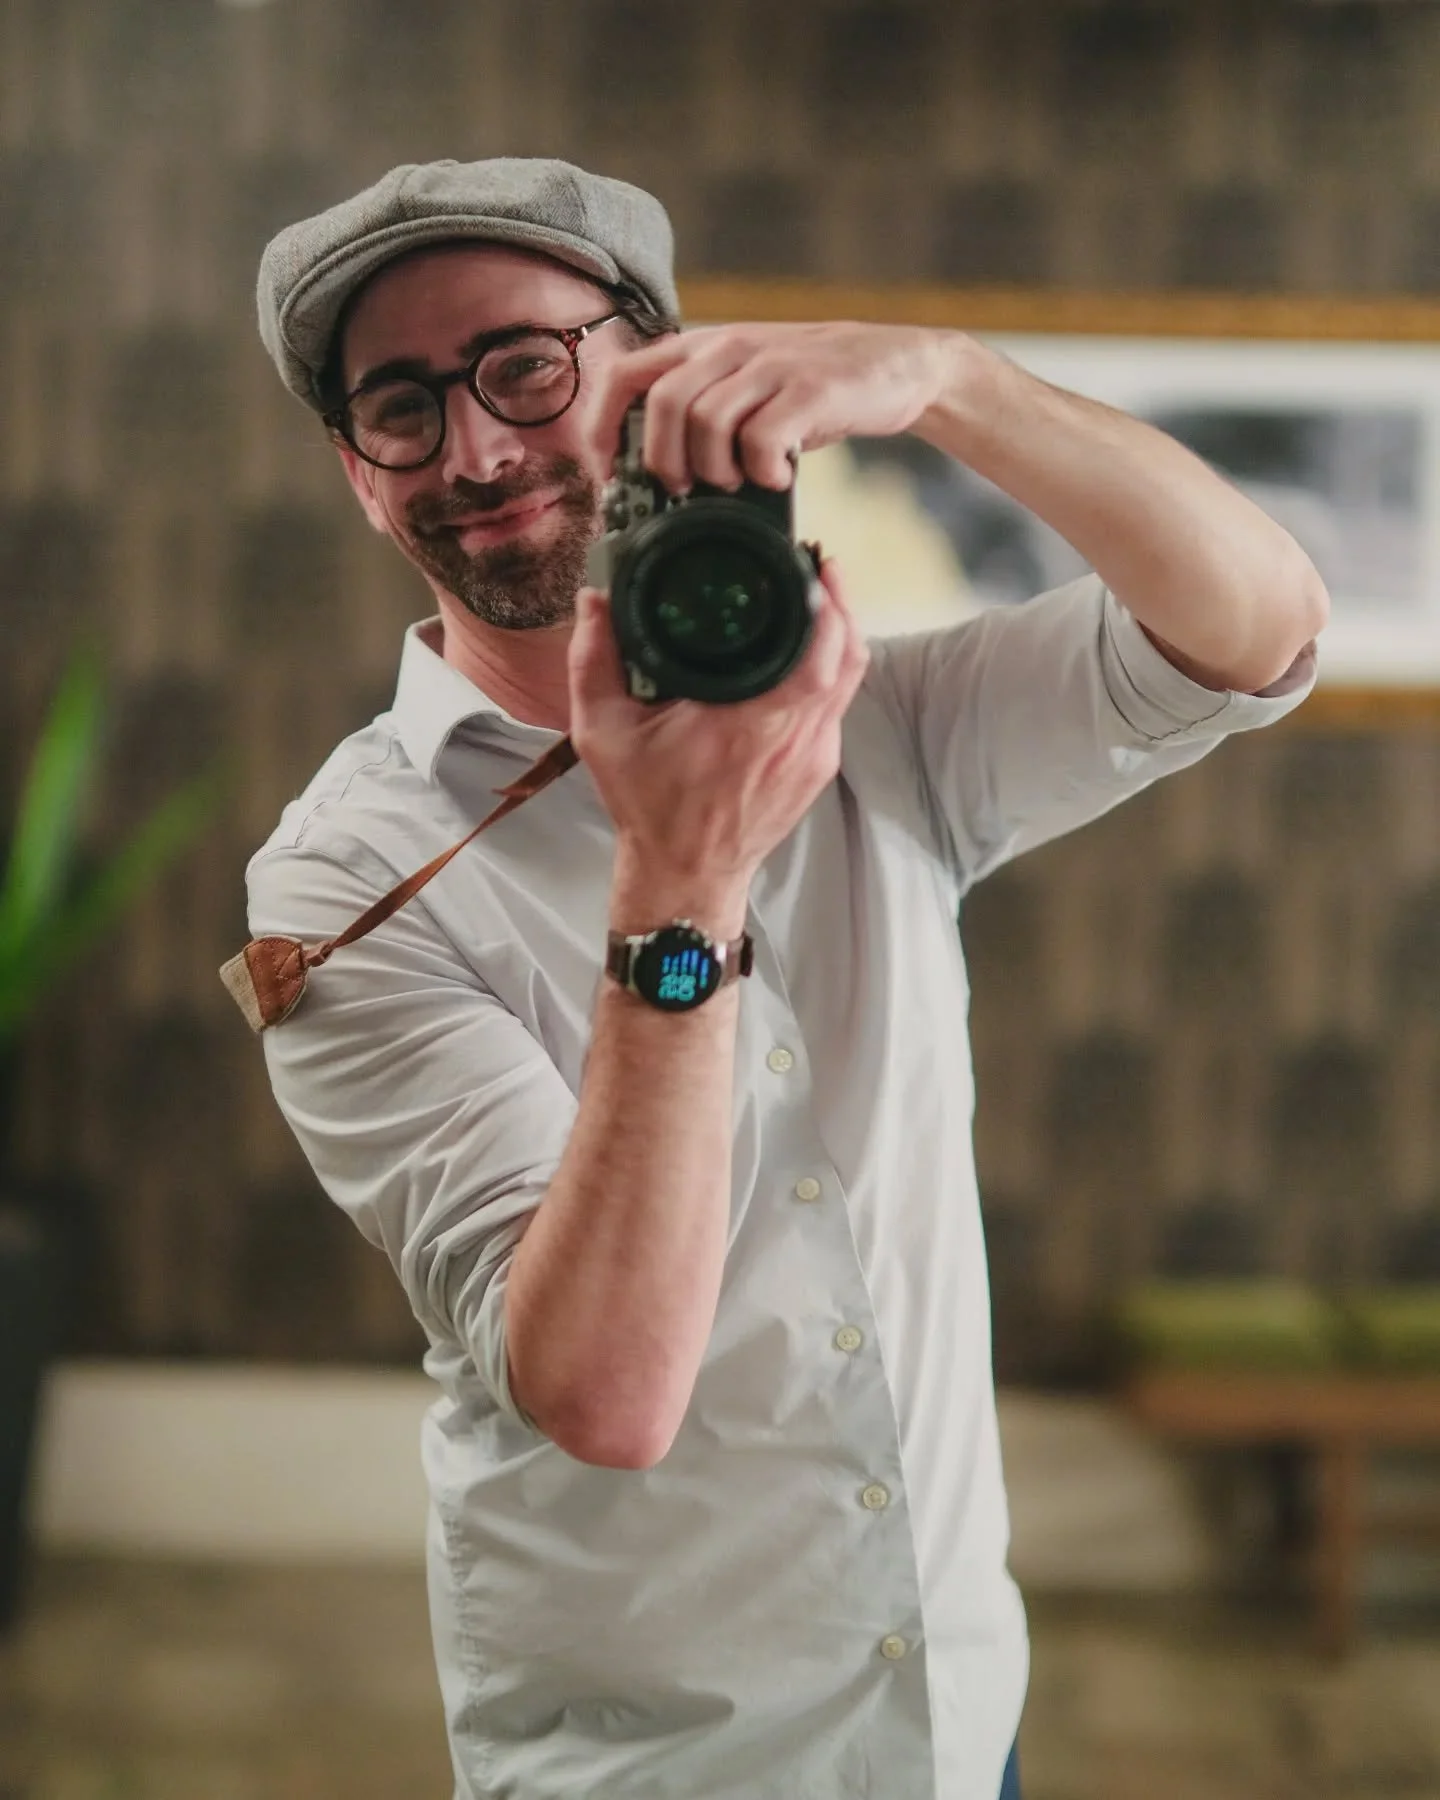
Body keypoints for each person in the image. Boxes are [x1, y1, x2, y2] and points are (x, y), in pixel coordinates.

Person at [242, 157, 1325, 1800]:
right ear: (355, 471)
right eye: (401, 407)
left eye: (526, 368)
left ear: (656, 367)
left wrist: (952, 380)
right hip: (653, 1763)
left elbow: (1255, 627)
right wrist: (681, 869)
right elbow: (602, 1388)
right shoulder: (341, 878)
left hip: (957, 1720)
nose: (474, 449)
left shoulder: (871, 714)